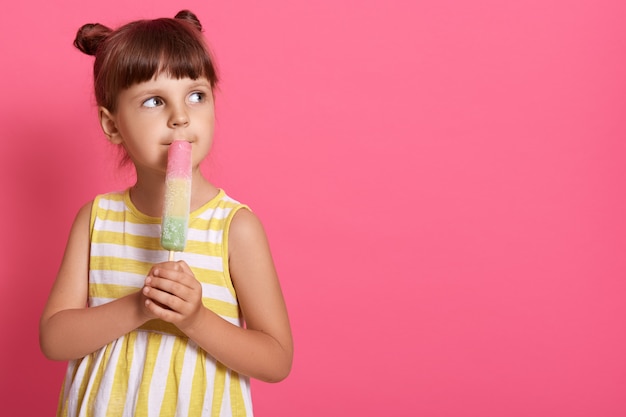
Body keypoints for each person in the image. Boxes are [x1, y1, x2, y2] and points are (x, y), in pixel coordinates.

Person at [39, 10, 293, 417]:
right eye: (155, 101)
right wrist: (140, 306)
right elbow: (54, 338)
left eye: (196, 95)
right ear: (112, 125)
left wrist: (195, 319)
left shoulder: (233, 228)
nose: (180, 115)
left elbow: (277, 359)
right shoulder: (96, 219)